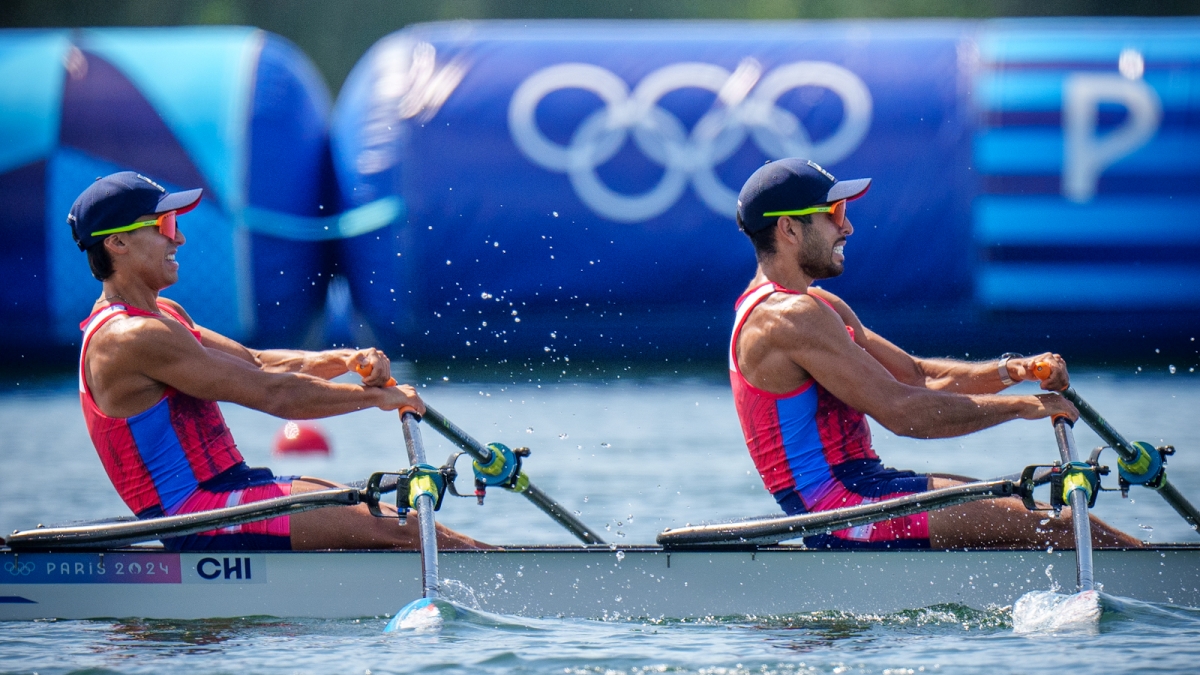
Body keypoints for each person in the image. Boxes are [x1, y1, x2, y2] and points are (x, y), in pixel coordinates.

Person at [730, 158, 1140, 550]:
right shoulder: (788, 317)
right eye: (834, 213)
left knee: (1048, 526)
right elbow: (904, 413)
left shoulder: (818, 306)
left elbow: (916, 376)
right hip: (842, 512)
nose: (848, 227)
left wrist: (1013, 371)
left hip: (868, 488)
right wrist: (1022, 408)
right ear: (789, 228)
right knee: (1065, 526)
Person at [68, 171, 485, 551]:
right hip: (194, 513)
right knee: (405, 529)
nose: (179, 239)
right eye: (165, 226)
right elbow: (273, 395)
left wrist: (348, 359)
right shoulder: (131, 337)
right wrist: (376, 399)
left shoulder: (167, 314)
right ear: (116, 242)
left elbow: (258, 362)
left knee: (394, 518)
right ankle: (529, 592)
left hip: (232, 487)